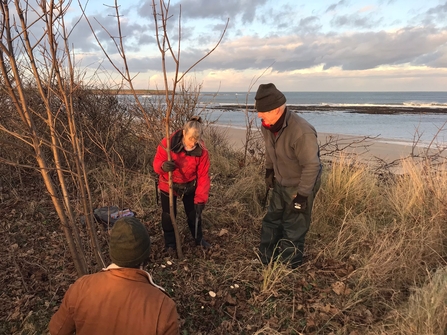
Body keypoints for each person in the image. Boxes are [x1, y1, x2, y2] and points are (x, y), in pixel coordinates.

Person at [49, 217, 179, 335]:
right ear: (146, 256)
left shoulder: (82, 287)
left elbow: (57, 331)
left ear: (112, 252)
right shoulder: (163, 306)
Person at [255, 83, 322, 269]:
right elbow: (270, 150)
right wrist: (269, 170)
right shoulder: (267, 126)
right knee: (272, 219)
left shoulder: (302, 132)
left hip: (301, 182)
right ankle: (265, 259)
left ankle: (287, 268)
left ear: (276, 110)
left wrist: (302, 196)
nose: (259, 115)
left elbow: (312, 166)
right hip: (280, 179)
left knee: (294, 226)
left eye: (263, 112)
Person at [153, 116, 211, 250]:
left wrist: (201, 200)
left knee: (194, 214)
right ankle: (170, 244)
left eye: (196, 140)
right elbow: (156, 163)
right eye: (190, 139)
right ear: (184, 133)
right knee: (168, 216)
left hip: (188, 185)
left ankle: (198, 240)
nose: (193, 143)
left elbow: (203, 176)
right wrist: (163, 166)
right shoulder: (168, 143)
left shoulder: (202, 151)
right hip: (168, 184)